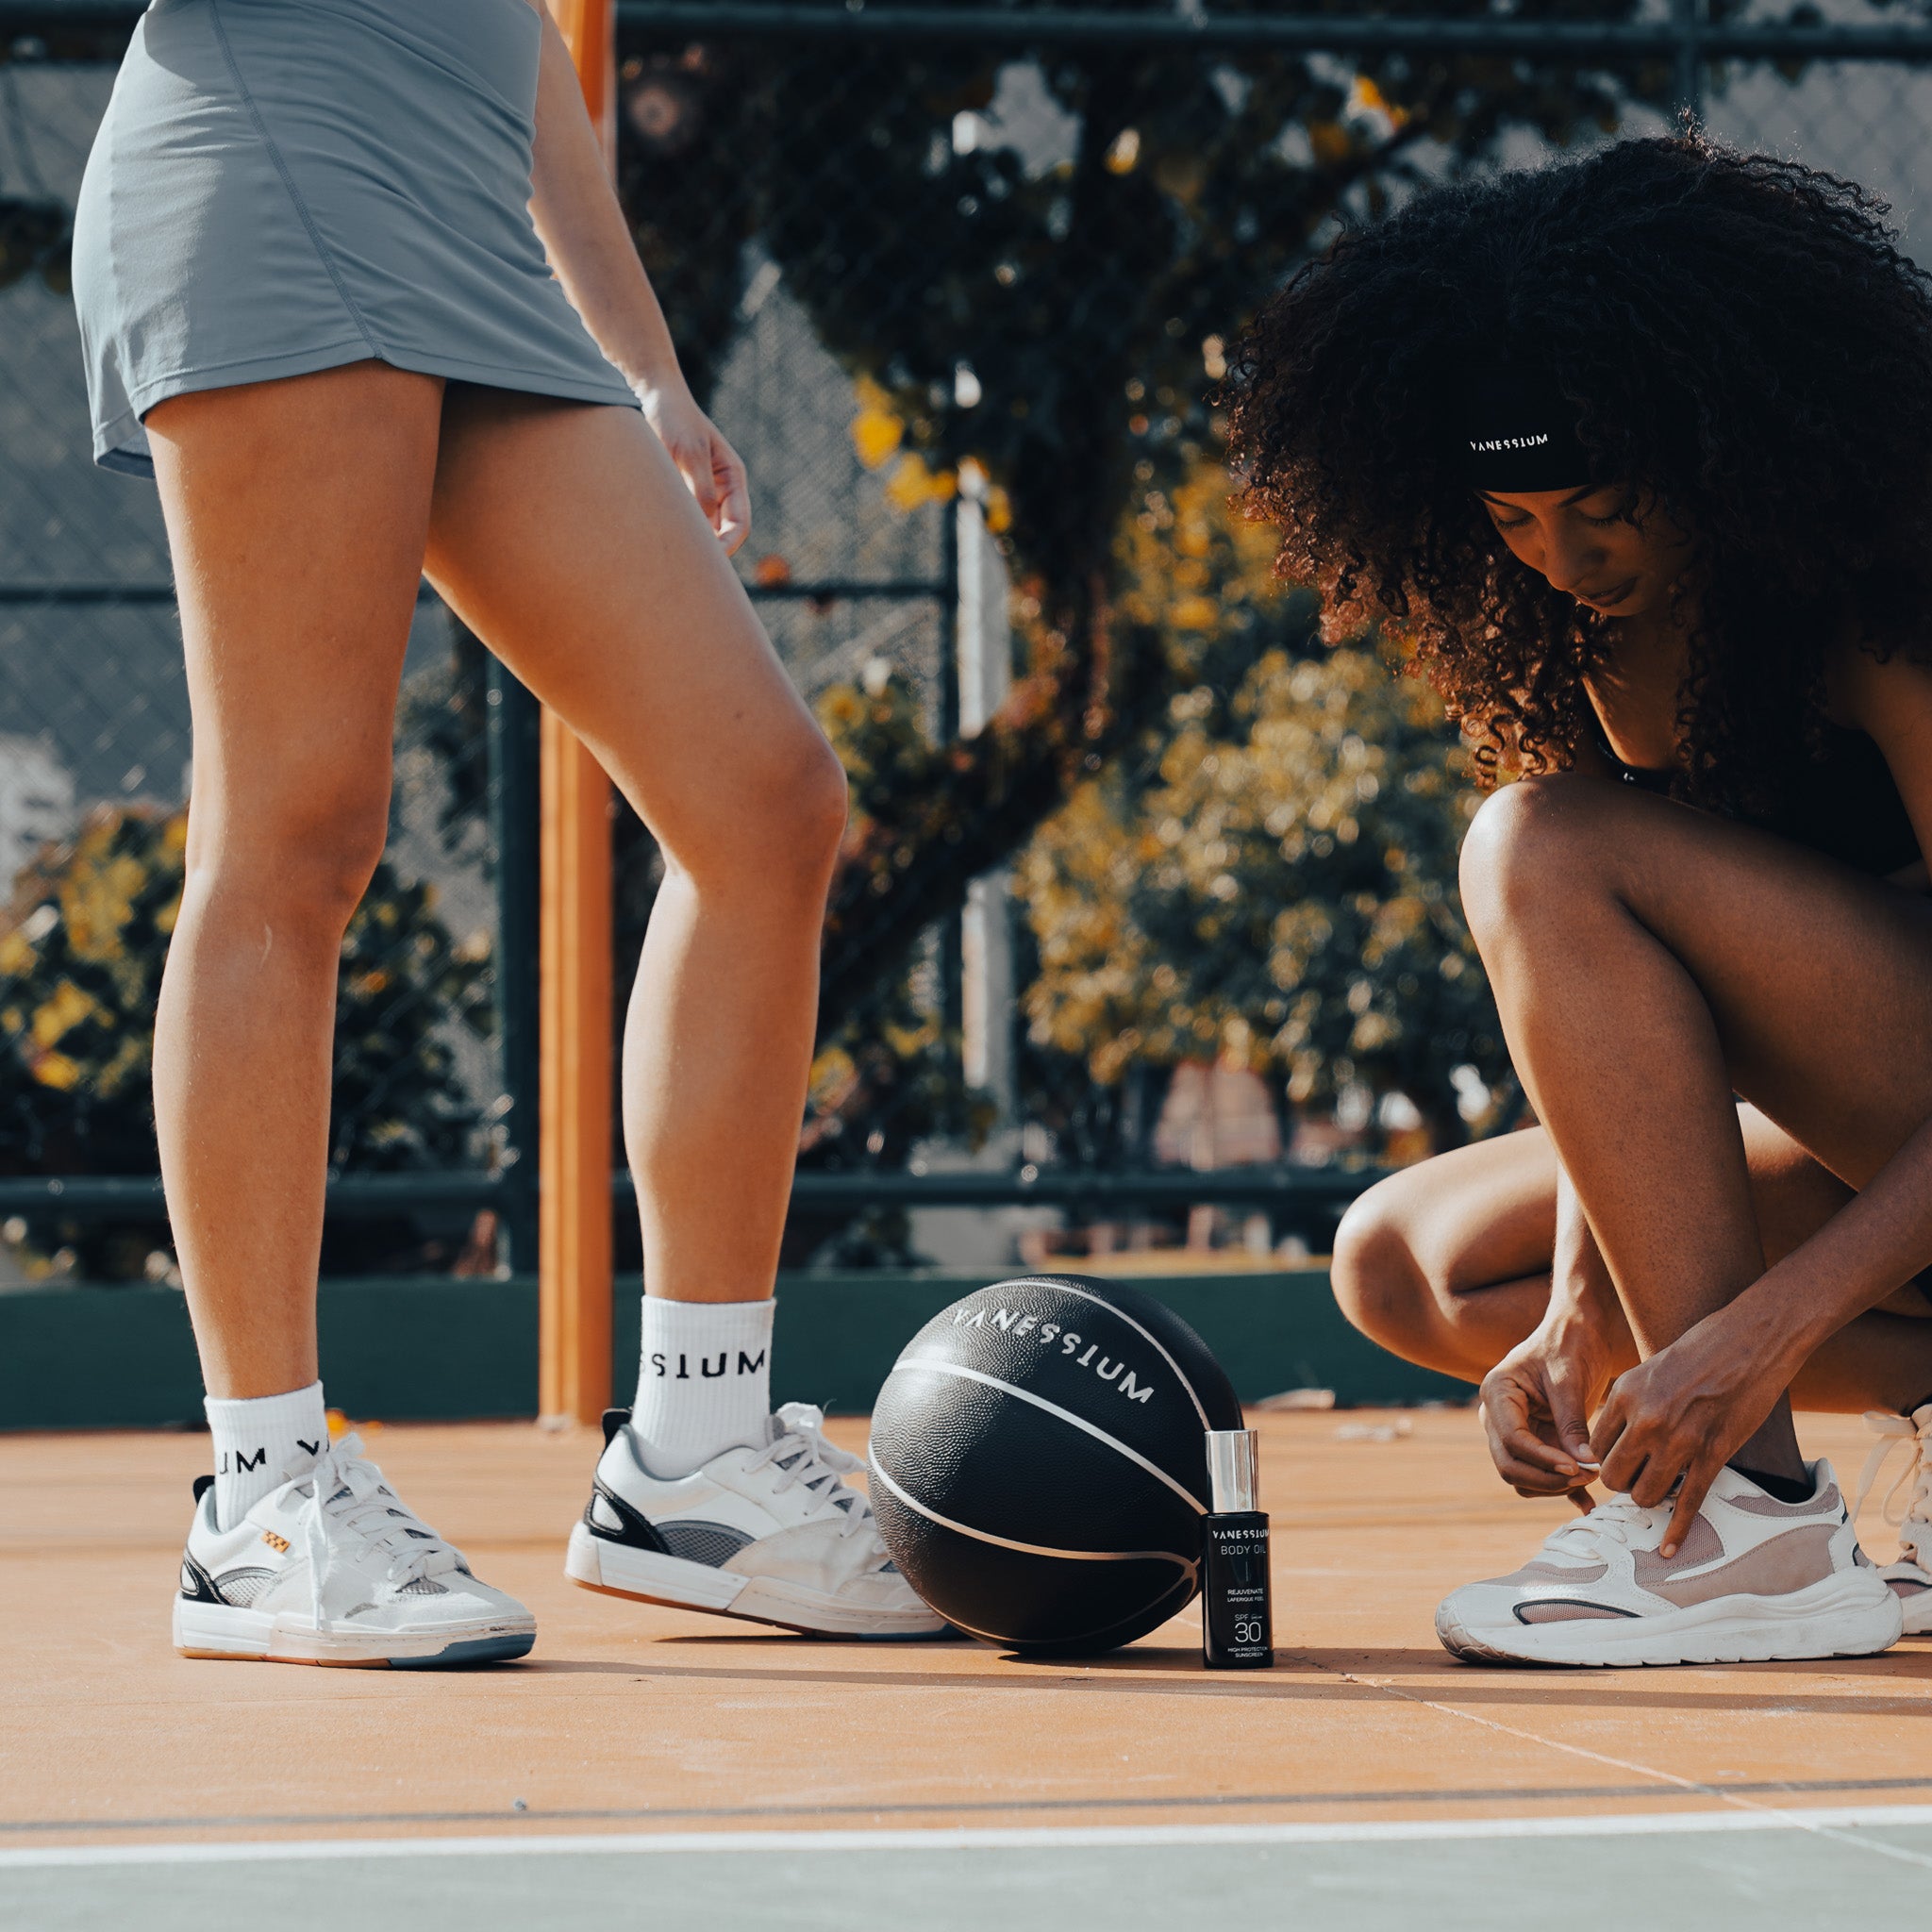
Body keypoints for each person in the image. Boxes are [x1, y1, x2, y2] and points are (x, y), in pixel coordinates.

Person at [72, 0, 939, 1664]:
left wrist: (643, 362)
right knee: (297, 832)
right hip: (273, 166)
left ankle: (696, 1460)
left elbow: (524, 40)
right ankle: (262, 1500)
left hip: (472, 245)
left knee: (763, 802)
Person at [1225, 133, 1932, 1667]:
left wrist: (1763, 1334)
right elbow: (1632, 1017)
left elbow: (1564, 873)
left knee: (1533, 843)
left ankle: (1751, 1525)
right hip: (1878, 1139)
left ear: (1717, 447)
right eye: (1514, 521)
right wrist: (1575, 1316)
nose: (1563, 558)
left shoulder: (1891, 599)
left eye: (1602, 505)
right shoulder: (1612, 645)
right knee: (1409, 1263)